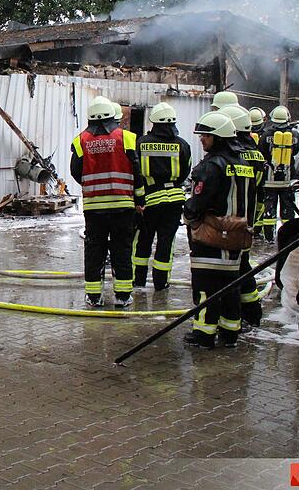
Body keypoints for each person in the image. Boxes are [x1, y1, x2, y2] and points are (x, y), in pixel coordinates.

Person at [183, 111, 257, 348]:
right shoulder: (245, 165)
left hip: (211, 238)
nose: (202, 139)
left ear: (219, 137)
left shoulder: (211, 165)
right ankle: (230, 333)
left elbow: (198, 200)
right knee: (230, 289)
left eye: (206, 135)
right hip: (236, 239)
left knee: (205, 288)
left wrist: (191, 219)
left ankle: (204, 335)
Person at [70, 96, 140, 308]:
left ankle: (93, 297)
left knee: (94, 251)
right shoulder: (127, 138)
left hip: (94, 208)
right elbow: (138, 171)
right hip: (122, 206)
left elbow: (75, 172)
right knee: (122, 250)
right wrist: (139, 197)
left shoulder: (80, 140)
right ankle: (123, 296)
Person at [132, 102, 191, 291]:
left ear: (153, 123)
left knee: (143, 241)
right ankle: (161, 282)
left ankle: (138, 280)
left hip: (149, 199)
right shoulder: (183, 145)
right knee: (166, 242)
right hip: (174, 199)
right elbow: (185, 171)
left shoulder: (140, 143)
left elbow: (135, 171)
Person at [217, 104, 267, 327]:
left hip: (231, 219)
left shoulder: (231, 156)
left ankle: (233, 314)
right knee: (243, 263)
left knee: (232, 268)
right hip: (250, 216)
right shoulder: (257, 155)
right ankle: (252, 310)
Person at [260, 105, 299, 241]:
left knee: (269, 209)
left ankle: (269, 238)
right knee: (288, 209)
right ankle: (288, 238)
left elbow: (262, 153)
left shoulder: (266, 134)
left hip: (270, 179)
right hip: (288, 179)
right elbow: (295, 151)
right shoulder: (295, 134)